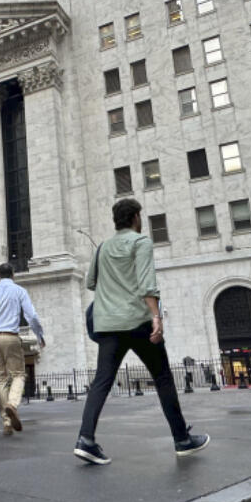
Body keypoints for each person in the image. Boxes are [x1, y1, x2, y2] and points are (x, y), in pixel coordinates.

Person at [74, 198, 209, 465]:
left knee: (102, 381)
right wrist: (156, 317)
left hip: (108, 324)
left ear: (116, 220)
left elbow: (90, 283)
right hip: (137, 321)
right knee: (162, 377)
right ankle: (182, 440)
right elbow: (148, 283)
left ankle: (85, 439)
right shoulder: (141, 242)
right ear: (135, 217)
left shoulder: (102, 248)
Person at [0, 263, 46, 436]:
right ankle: (12, 404)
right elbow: (31, 316)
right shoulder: (19, 291)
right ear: (13, 274)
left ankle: (6, 422)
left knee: (1, 379)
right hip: (10, 336)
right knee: (19, 375)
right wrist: (39, 335)